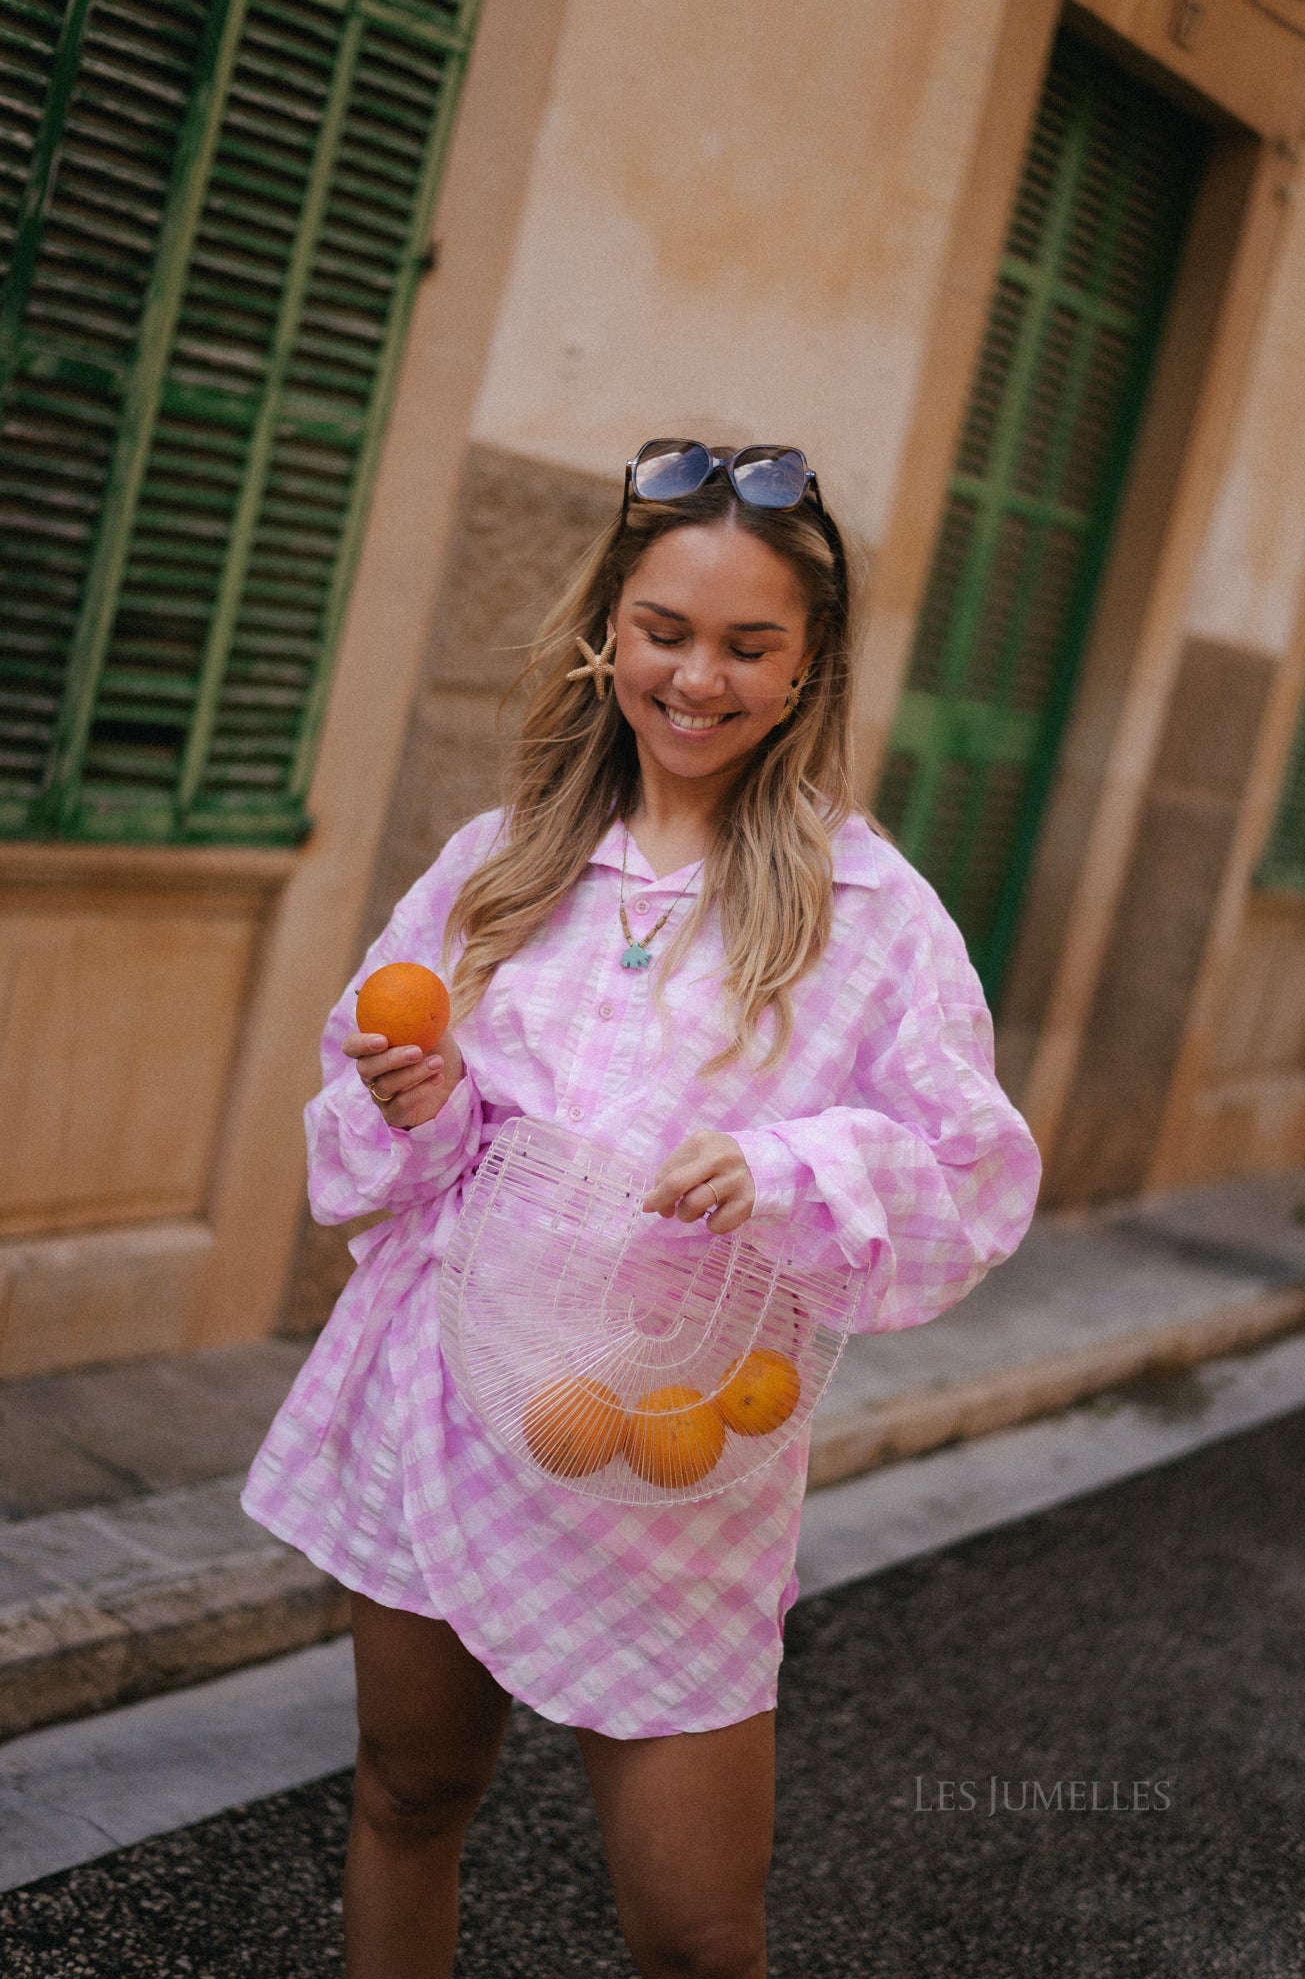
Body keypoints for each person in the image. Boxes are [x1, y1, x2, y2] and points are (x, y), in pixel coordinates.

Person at [243, 438, 1041, 1979]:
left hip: (680, 1459)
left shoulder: (868, 914)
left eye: (750, 647)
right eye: (665, 632)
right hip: (447, 1402)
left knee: (694, 1933)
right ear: (608, 628)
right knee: (409, 1791)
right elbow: (376, 1131)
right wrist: (419, 1104)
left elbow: (971, 1174)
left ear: (810, 669)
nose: (697, 680)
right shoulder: (500, 868)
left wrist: (785, 1168)